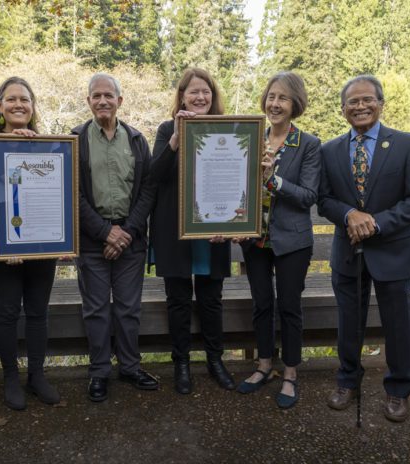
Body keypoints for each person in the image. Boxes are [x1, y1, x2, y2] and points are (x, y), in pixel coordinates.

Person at [318, 75, 410, 422]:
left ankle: (398, 390)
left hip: (393, 251)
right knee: (348, 323)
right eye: (352, 102)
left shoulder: (408, 144)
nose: (361, 106)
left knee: (398, 325)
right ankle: (347, 381)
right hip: (347, 252)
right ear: (343, 110)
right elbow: (324, 200)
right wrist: (350, 214)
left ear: (381, 104)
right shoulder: (330, 150)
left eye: (368, 100)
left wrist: (375, 222)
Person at [0, 77, 60, 411]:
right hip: (2, 247)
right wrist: (3, 247)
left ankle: (36, 375)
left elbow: (57, 191)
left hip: (41, 246)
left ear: (33, 106)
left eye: (25, 99)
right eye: (11, 99)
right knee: (7, 313)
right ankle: (10, 377)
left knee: (38, 312)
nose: (19, 104)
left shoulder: (49, 144)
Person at [234, 72, 321, 410]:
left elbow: (308, 196)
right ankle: (264, 366)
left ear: (294, 103)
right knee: (261, 305)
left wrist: (274, 179)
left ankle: (290, 373)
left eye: (283, 98)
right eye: (271, 96)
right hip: (255, 240)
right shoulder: (252, 139)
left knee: (288, 307)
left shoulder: (308, 145)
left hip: (292, 242)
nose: (275, 103)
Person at [72, 72, 158, 402]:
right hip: (93, 239)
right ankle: (99, 372)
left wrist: (126, 232)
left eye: (109, 96)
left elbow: (147, 189)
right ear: (89, 101)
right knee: (96, 309)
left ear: (120, 101)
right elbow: (74, 192)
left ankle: (130, 366)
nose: (103, 101)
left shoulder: (137, 140)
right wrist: (105, 232)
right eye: (97, 96)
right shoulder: (76, 139)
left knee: (127, 308)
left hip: (131, 239)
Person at [149, 68, 235, 394]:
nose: (200, 97)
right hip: (176, 231)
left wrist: (230, 224)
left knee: (212, 299)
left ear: (213, 97)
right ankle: (181, 364)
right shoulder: (167, 128)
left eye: (206, 92)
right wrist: (175, 139)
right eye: (193, 92)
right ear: (182, 96)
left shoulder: (226, 130)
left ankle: (215, 360)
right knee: (179, 300)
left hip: (214, 231)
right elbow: (154, 176)